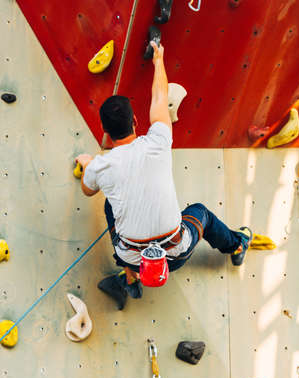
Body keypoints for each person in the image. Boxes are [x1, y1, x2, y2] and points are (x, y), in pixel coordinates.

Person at [76, 41, 252, 310]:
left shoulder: (101, 166)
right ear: (135, 121)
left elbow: (87, 190)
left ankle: (130, 276)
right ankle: (236, 246)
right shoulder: (157, 141)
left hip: (133, 257)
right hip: (176, 253)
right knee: (200, 213)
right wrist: (158, 60)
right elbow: (159, 98)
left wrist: (88, 164)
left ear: (105, 131)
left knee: (110, 203)